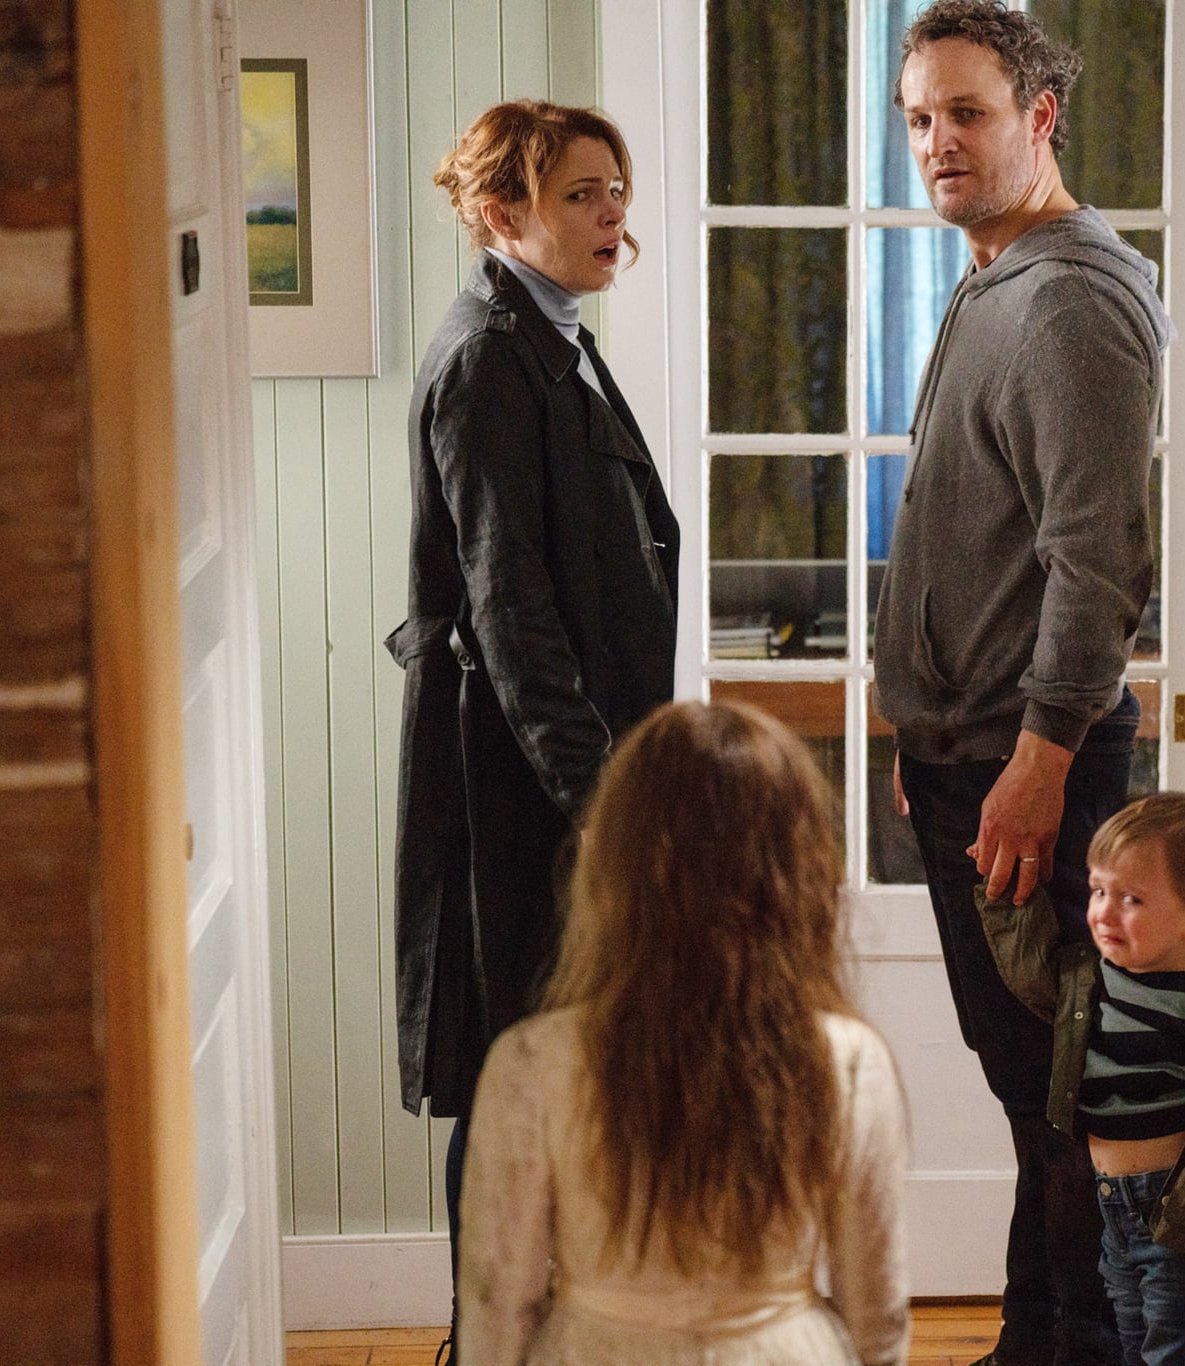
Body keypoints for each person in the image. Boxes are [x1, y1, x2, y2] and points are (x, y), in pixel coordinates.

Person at [872, 3, 1172, 1362]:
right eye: (920, 117)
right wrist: (916, 722)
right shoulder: (993, 271)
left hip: (1027, 768)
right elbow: (977, 529)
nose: (936, 142)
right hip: (970, 755)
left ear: (1039, 118)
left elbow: (1095, 568)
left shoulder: (1069, 300)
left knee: (1070, 1104)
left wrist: (1038, 762)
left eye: (966, 113)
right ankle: (1027, 1347)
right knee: (1031, 1096)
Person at [383, 99, 678, 1338]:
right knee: (512, 1080)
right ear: (501, 213)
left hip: (561, 781)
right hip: (521, 795)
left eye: (616, 189)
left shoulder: (550, 330)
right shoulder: (485, 360)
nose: (614, 214)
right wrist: (604, 802)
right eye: (581, 195)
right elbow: (510, 617)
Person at [454, 700, 911, 1366]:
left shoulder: (531, 1063)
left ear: (616, 863)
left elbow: (500, 1304)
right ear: (798, 871)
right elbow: (879, 1312)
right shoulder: (847, 1061)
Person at [978, 794, 1185, 1366]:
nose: (1104, 911)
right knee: (1130, 1342)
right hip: (1110, 1209)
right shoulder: (1089, 978)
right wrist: (1004, 898)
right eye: (1098, 890)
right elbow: (1029, 971)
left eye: (1130, 899)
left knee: (1180, 1343)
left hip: (1182, 1216)